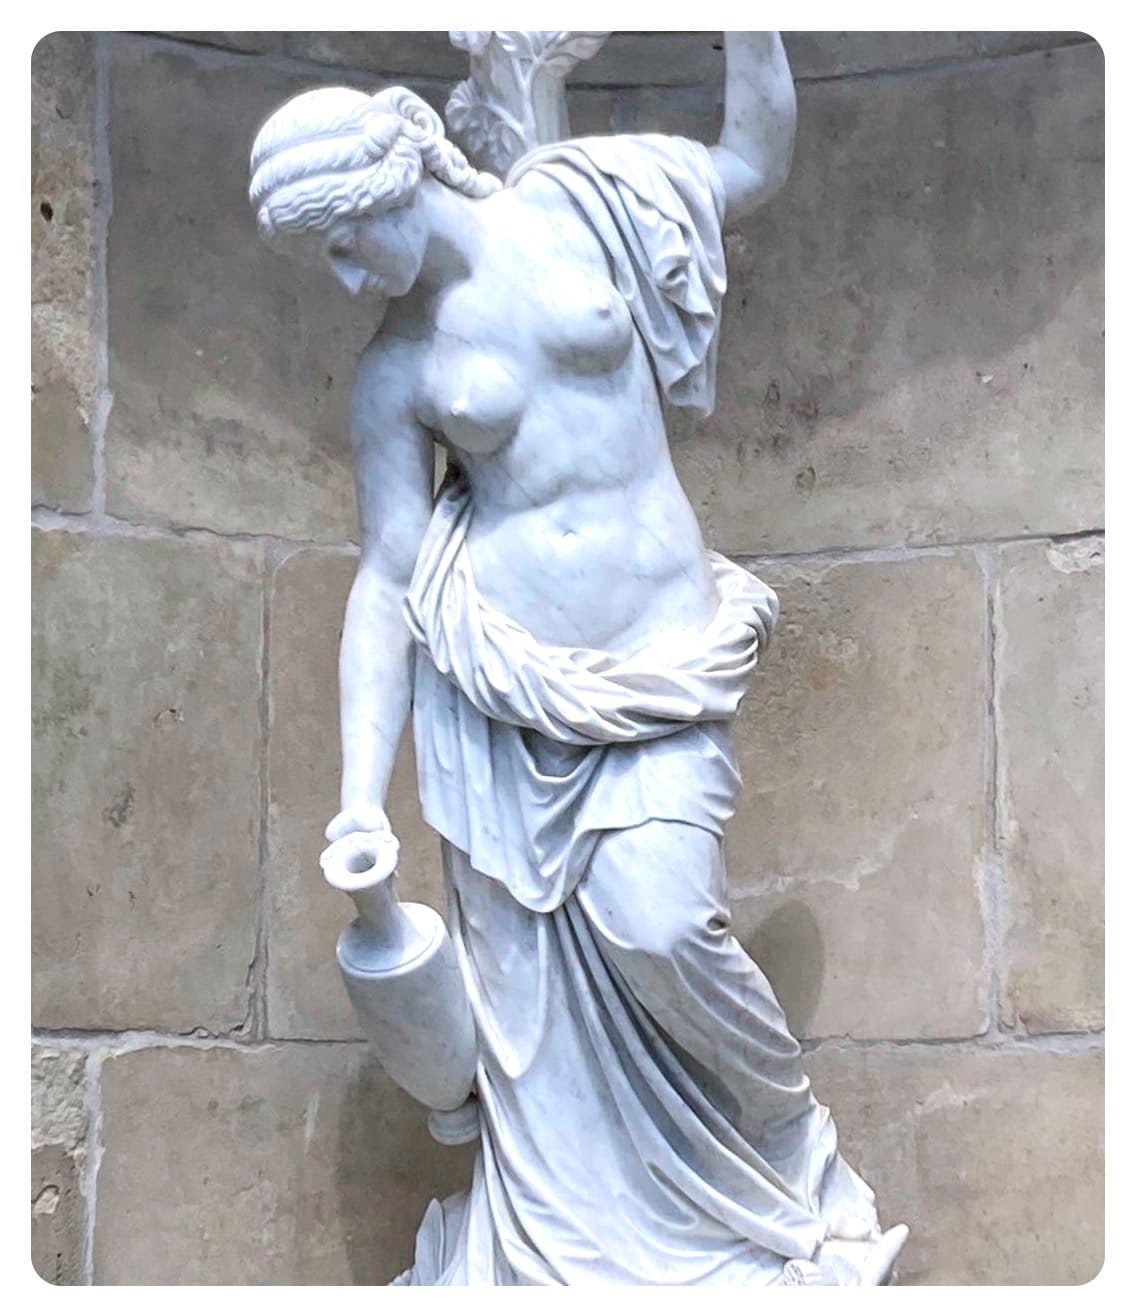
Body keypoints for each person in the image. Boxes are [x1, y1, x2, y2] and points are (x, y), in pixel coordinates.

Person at [249, 33, 907, 1286]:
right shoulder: (396, 368)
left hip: (655, 665)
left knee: (663, 925)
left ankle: (783, 1141)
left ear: (391, 180)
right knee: (529, 1008)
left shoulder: (588, 202)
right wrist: (354, 794)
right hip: (506, 695)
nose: (342, 277)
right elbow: (386, 578)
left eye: (341, 240)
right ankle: (568, 1260)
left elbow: (752, 160)